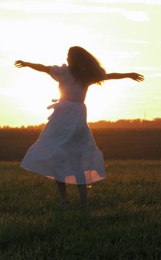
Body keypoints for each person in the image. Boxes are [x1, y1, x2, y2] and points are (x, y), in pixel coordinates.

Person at [15, 46, 144, 207]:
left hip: (73, 122)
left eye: (69, 56)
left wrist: (128, 75)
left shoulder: (85, 76)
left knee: (75, 160)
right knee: (59, 157)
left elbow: (110, 76)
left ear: (75, 58)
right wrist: (27, 64)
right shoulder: (66, 72)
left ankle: (80, 201)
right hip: (62, 120)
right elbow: (44, 68)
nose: (67, 58)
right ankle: (65, 199)